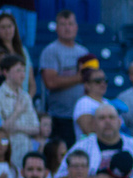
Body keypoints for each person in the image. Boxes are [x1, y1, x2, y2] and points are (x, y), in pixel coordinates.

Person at [39, 9, 86, 146]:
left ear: (76, 27)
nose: (67, 28)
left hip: (80, 116)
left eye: (70, 24)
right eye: (63, 24)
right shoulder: (51, 51)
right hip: (59, 117)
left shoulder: (83, 52)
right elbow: (50, 82)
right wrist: (79, 78)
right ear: (57, 28)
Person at [0, 54, 38, 169]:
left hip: (27, 152)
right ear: (5, 72)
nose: (23, 75)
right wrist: (17, 112)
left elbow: (36, 129)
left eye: (24, 71)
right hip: (9, 154)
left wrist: (17, 128)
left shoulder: (25, 96)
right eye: (18, 71)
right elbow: (0, 130)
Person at [0, 12, 35, 98]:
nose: (7, 31)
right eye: (3, 27)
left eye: (9, 26)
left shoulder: (23, 51)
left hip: (24, 100)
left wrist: (26, 101)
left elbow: (32, 83)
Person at [72, 64, 109, 140]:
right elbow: (89, 131)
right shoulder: (83, 102)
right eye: (97, 81)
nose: (103, 84)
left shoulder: (108, 102)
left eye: (105, 80)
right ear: (87, 85)